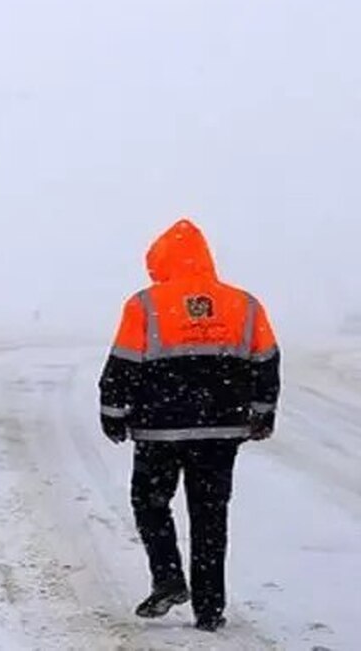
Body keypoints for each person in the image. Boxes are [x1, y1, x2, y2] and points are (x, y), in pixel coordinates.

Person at [99, 218, 280, 633]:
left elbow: (122, 365)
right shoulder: (244, 304)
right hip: (220, 432)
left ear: (161, 259)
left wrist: (113, 413)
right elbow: (267, 361)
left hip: (158, 431)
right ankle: (210, 609)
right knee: (211, 515)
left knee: (150, 503)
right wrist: (262, 412)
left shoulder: (145, 304)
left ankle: (167, 577)